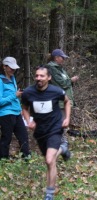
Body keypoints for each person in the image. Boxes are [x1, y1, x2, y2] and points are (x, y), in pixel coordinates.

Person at [22, 66, 71, 200]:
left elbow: (67, 102)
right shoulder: (28, 92)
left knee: (50, 160)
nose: (38, 78)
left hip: (55, 129)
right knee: (49, 161)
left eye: (42, 76)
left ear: (48, 78)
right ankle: (63, 149)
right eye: (37, 76)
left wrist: (67, 118)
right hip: (40, 132)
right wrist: (28, 121)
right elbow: (25, 108)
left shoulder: (56, 91)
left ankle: (49, 194)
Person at [45, 49, 78, 147]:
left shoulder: (60, 68)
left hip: (64, 101)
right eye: (62, 57)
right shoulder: (51, 68)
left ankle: (61, 142)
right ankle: (60, 142)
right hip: (58, 100)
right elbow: (61, 83)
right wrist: (71, 80)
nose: (63, 59)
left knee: (63, 122)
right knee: (61, 122)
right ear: (56, 58)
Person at [0, 57, 31, 160]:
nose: (13, 70)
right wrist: (14, 95)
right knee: (6, 139)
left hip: (16, 113)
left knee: (24, 136)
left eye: (14, 68)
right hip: (6, 114)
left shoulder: (12, 79)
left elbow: (15, 97)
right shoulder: (0, 80)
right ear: (4, 67)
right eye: (11, 68)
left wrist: (20, 109)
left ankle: (26, 159)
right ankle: (3, 161)